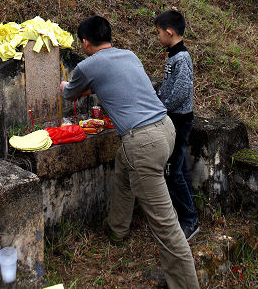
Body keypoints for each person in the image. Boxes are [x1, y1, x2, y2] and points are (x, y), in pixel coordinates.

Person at [60, 16, 199, 289]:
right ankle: (117, 229)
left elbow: (71, 94)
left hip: (143, 142)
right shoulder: (128, 55)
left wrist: (64, 87)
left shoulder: (87, 65)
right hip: (166, 128)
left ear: (85, 43)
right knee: (124, 165)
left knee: (166, 227)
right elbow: (111, 83)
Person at [155, 10, 199, 242]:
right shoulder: (173, 55)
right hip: (174, 118)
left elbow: (181, 91)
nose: (158, 37)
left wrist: (162, 107)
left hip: (179, 121)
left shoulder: (181, 58)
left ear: (169, 32)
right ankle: (186, 211)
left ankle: (189, 219)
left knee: (173, 171)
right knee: (179, 169)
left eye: (159, 33)